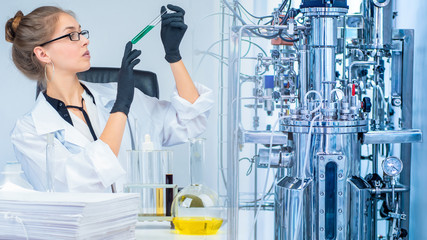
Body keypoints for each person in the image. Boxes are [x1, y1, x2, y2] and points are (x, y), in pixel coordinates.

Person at [6, 5, 213, 192]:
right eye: (71, 36)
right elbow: (76, 185)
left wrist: (173, 55)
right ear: (43, 54)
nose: (85, 40)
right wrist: (121, 107)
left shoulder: (116, 93)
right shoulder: (29, 131)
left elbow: (190, 119)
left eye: (81, 32)